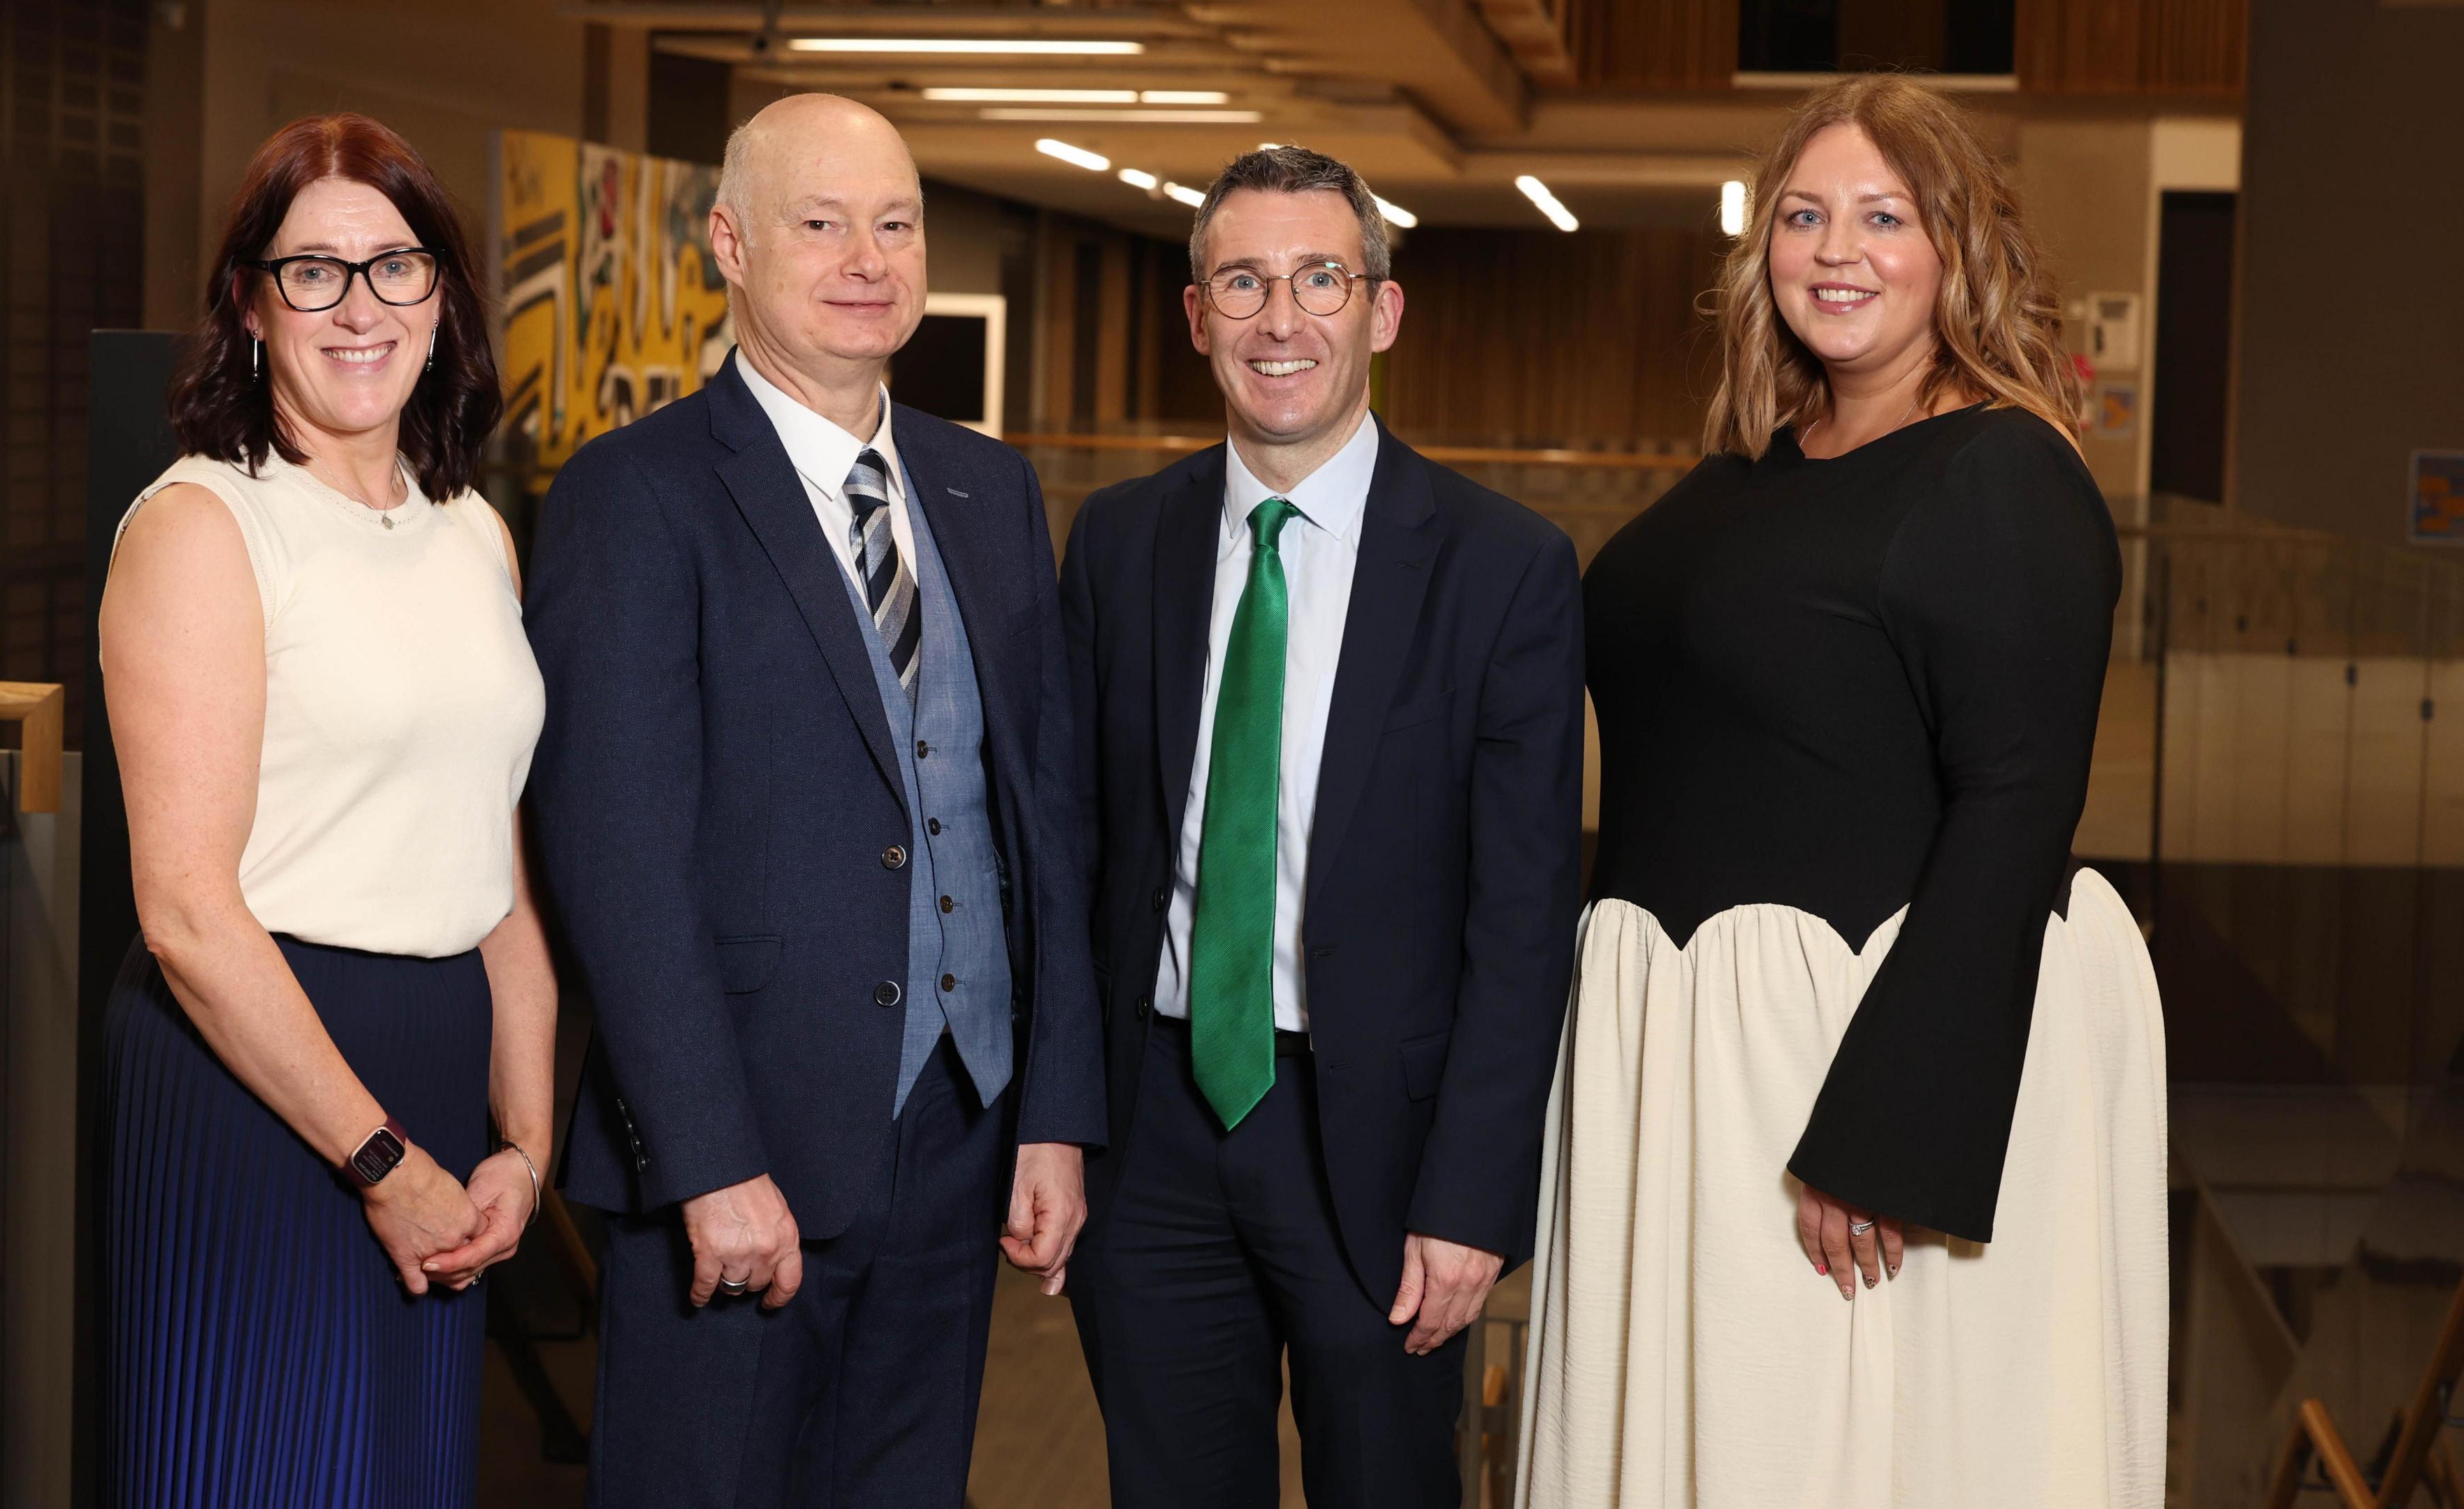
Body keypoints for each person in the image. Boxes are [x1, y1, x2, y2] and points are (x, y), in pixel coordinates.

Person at [1514, 75, 2169, 1505]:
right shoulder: (1762, 460)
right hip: (1693, 1044)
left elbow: (2016, 800)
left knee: (1835, 1443)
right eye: (1804, 215)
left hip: (1849, 1065)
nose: (1836, 249)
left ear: (1960, 252)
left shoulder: (2002, 472)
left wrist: (1885, 1136)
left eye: (1885, 215)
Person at [523, 94, 1102, 1507]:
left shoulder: (988, 488)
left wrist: (1056, 1113)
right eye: (822, 221)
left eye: (895, 223)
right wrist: (708, 1161)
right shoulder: (633, 498)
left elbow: (1044, 824)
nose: (868, 257)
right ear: (730, 241)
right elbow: (618, 862)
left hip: (959, 1140)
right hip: (740, 1160)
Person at [1059, 145, 1586, 1506]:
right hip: (1156, 1130)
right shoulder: (1119, 546)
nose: (1279, 319)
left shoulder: (1503, 567)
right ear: (1197, 316)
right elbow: (1071, 859)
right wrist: (1058, 1125)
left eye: (1318, 280)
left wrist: (1475, 1194)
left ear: (1381, 311)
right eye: (1242, 281)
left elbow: (1521, 921)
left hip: (1385, 1152)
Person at [97, 113, 550, 1506]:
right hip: (259, 1078)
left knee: (406, 1474)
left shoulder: (471, 528)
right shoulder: (203, 529)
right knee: (263, 1462)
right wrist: (379, 1157)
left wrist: (524, 1148)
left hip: (437, 1067)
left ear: (443, 300)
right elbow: (184, 913)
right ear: (251, 301)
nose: (361, 307)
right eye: (314, 272)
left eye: (395, 267)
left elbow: (500, 877)